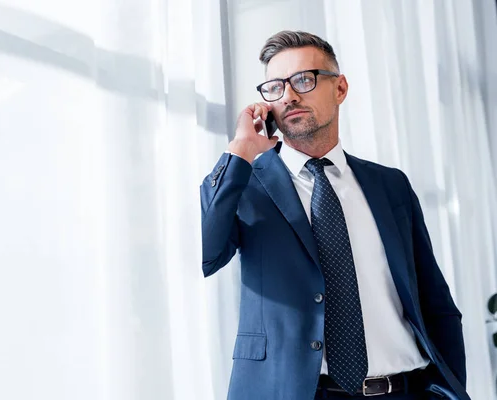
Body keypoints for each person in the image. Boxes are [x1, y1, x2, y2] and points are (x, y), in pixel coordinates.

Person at [200, 31, 470, 400]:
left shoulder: (390, 185)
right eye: (275, 87)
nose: (290, 95)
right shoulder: (246, 184)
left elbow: (435, 302)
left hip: (404, 390)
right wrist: (241, 151)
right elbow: (208, 253)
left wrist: (449, 390)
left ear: (340, 88)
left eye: (303, 80)